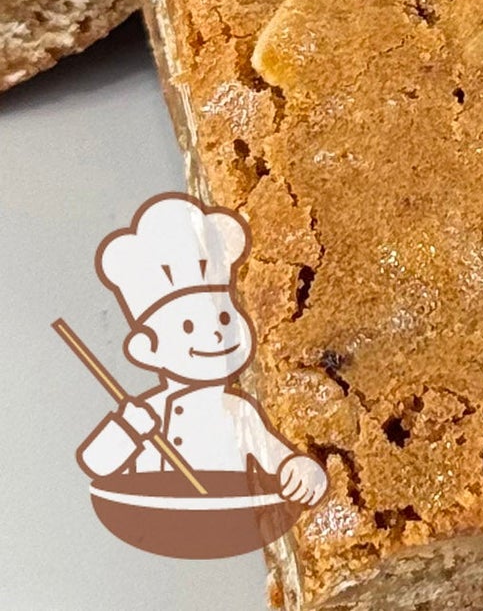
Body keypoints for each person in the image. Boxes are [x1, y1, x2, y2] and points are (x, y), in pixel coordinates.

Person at [75, 193, 327, 507]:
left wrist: (298, 467)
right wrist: (127, 429)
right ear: (148, 349)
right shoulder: (149, 411)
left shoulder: (241, 411)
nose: (212, 335)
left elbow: (276, 454)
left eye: (223, 319)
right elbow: (96, 462)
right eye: (188, 327)